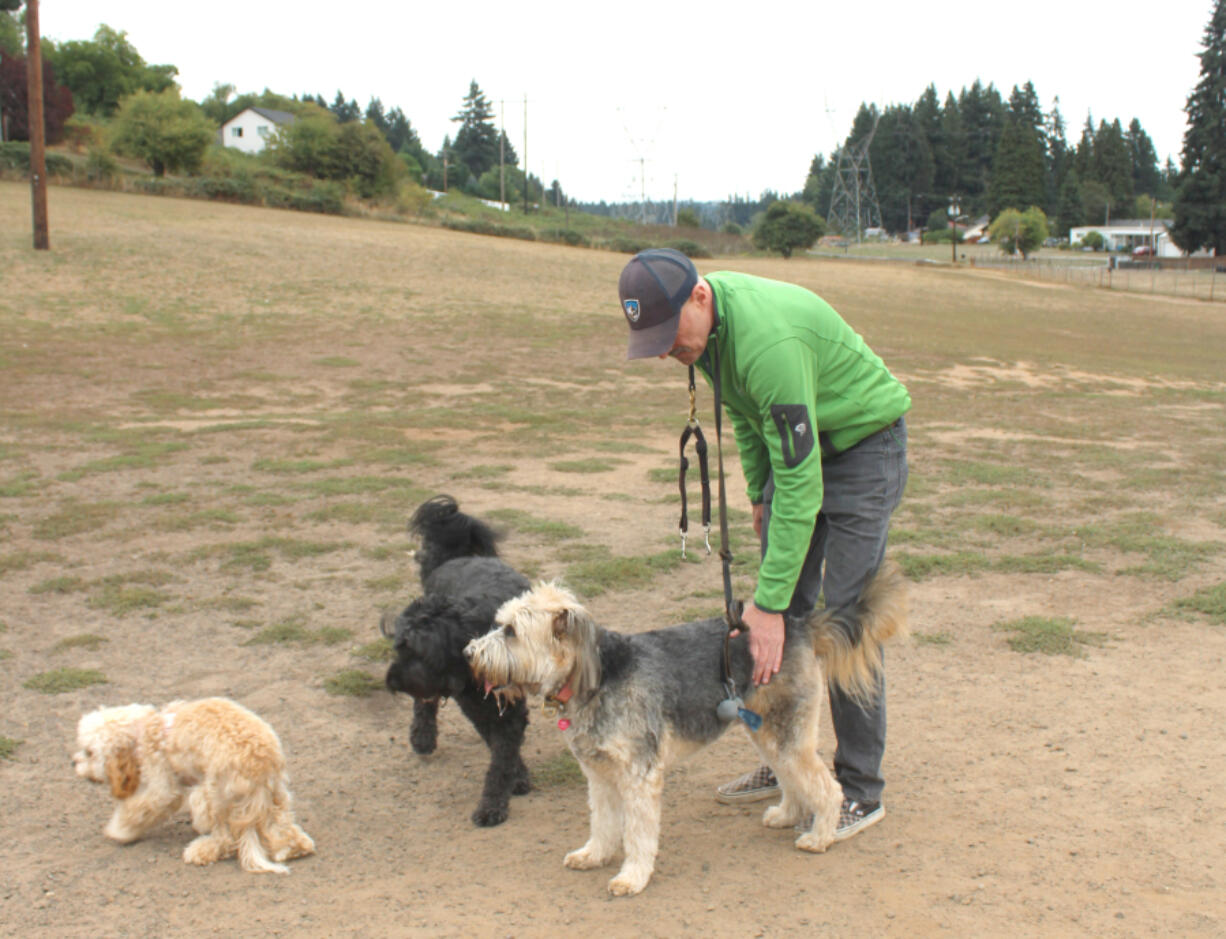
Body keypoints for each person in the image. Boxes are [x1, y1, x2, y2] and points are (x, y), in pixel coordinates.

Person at [618, 247, 910, 842]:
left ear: (699, 297)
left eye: (670, 335)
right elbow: (748, 418)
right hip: (801, 447)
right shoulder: (703, 337)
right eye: (655, 342)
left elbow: (802, 481)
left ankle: (859, 789)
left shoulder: (765, 343)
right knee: (785, 623)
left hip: (862, 447)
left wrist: (769, 604)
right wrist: (759, 492)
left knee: (841, 616)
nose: (670, 351)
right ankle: (787, 756)